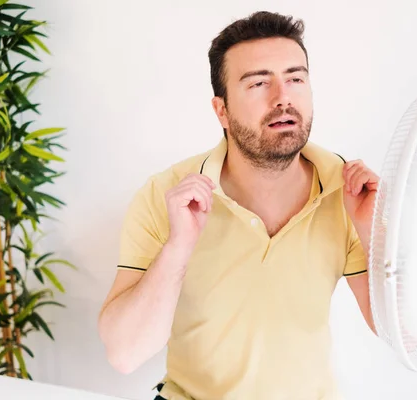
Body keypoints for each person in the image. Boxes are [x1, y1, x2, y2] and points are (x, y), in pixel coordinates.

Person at [98, 11, 378, 400]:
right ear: (222, 111)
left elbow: (403, 336)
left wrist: (372, 232)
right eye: (259, 83)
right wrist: (179, 246)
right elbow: (125, 353)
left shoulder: (346, 192)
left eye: (295, 79)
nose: (282, 97)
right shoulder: (166, 193)